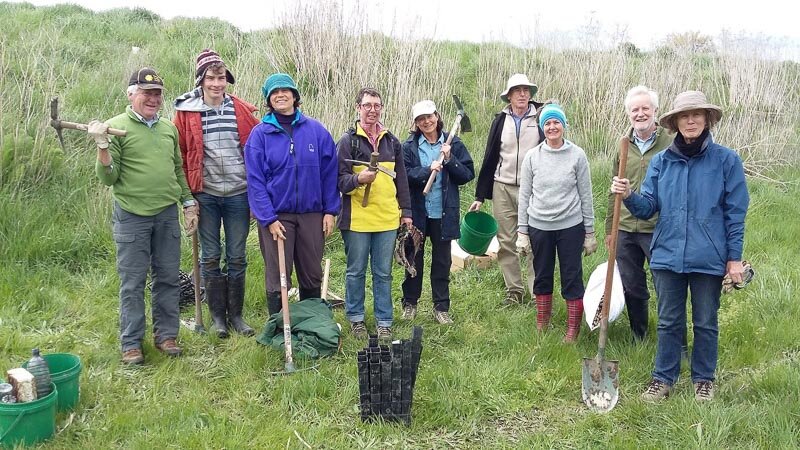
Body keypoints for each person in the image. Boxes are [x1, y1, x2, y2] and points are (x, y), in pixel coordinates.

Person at [611, 90, 749, 402]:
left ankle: (703, 380)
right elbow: (648, 207)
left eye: (696, 114)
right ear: (674, 123)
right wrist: (629, 194)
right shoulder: (662, 162)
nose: (690, 120)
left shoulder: (727, 160)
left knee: (705, 322)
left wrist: (734, 259)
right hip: (668, 255)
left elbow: (736, 213)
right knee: (669, 321)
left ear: (707, 119)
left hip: (708, 255)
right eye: (684, 116)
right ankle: (663, 379)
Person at [88, 68, 196, 365]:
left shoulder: (167, 128)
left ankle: (166, 336)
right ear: (131, 94)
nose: (152, 99)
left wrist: (188, 202)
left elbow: (177, 169)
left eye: (157, 94)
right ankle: (131, 343)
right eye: (146, 93)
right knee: (133, 282)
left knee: (168, 278)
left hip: (165, 214)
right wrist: (102, 146)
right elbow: (108, 178)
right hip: (132, 215)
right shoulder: (113, 128)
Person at [174, 49, 259, 338]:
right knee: (210, 256)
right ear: (201, 80)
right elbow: (181, 156)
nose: (216, 84)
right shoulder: (186, 113)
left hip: (238, 192)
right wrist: (188, 198)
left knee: (236, 256)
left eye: (221, 78)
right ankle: (217, 319)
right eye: (211, 78)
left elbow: (256, 150)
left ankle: (236, 316)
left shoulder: (242, 111)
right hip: (206, 194)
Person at [245, 73, 340, 317]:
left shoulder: (316, 131)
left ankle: (310, 322)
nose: (280, 95)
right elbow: (255, 181)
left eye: (285, 90)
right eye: (274, 92)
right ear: (268, 99)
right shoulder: (259, 135)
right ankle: (278, 326)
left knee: (311, 273)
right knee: (279, 275)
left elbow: (330, 173)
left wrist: (330, 210)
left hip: (312, 213)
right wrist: (268, 219)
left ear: (295, 96)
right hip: (277, 217)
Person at [337, 88, 412, 340]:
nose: (372, 110)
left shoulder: (392, 142)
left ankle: (384, 321)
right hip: (357, 220)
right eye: (367, 105)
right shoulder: (348, 142)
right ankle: (356, 319)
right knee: (355, 271)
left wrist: (406, 212)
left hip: (387, 219)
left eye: (377, 105)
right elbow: (338, 182)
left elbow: (401, 180)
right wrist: (358, 179)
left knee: (383, 273)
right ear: (358, 107)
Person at [517, 103, 596, 343]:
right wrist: (522, 231)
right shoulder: (533, 156)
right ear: (543, 128)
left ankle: (572, 330)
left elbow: (586, 194)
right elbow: (524, 195)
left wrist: (590, 232)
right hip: (539, 226)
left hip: (570, 227)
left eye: (556, 122)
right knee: (542, 275)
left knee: (572, 276)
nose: (552, 127)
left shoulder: (577, 155)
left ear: (564, 126)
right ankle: (542, 324)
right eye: (548, 123)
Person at [605, 86, 674, 342]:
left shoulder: (670, 143)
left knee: (667, 287)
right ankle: (639, 336)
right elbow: (613, 191)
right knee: (632, 286)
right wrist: (609, 230)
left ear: (655, 111)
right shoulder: (623, 144)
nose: (640, 113)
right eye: (635, 109)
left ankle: (675, 342)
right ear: (628, 114)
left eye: (646, 108)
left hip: (658, 228)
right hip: (624, 228)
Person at [469, 73, 543, 306]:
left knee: (535, 239)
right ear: (508, 96)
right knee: (506, 240)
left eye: (525, 90)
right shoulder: (500, 120)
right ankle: (514, 290)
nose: (522, 94)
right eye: (517, 90)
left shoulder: (541, 117)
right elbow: (490, 156)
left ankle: (536, 292)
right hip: (502, 187)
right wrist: (480, 195)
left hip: (533, 189)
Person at [400, 100, 475, 324]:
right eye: (421, 119)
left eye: (429, 116)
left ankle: (441, 307)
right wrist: (427, 170)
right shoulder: (409, 146)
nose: (426, 121)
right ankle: (410, 303)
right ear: (416, 123)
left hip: (444, 212)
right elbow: (403, 176)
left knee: (442, 262)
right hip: (418, 213)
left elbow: (467, 174)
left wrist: (450, 160)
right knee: (413, 260)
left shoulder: (453, 144)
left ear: (437, 116)